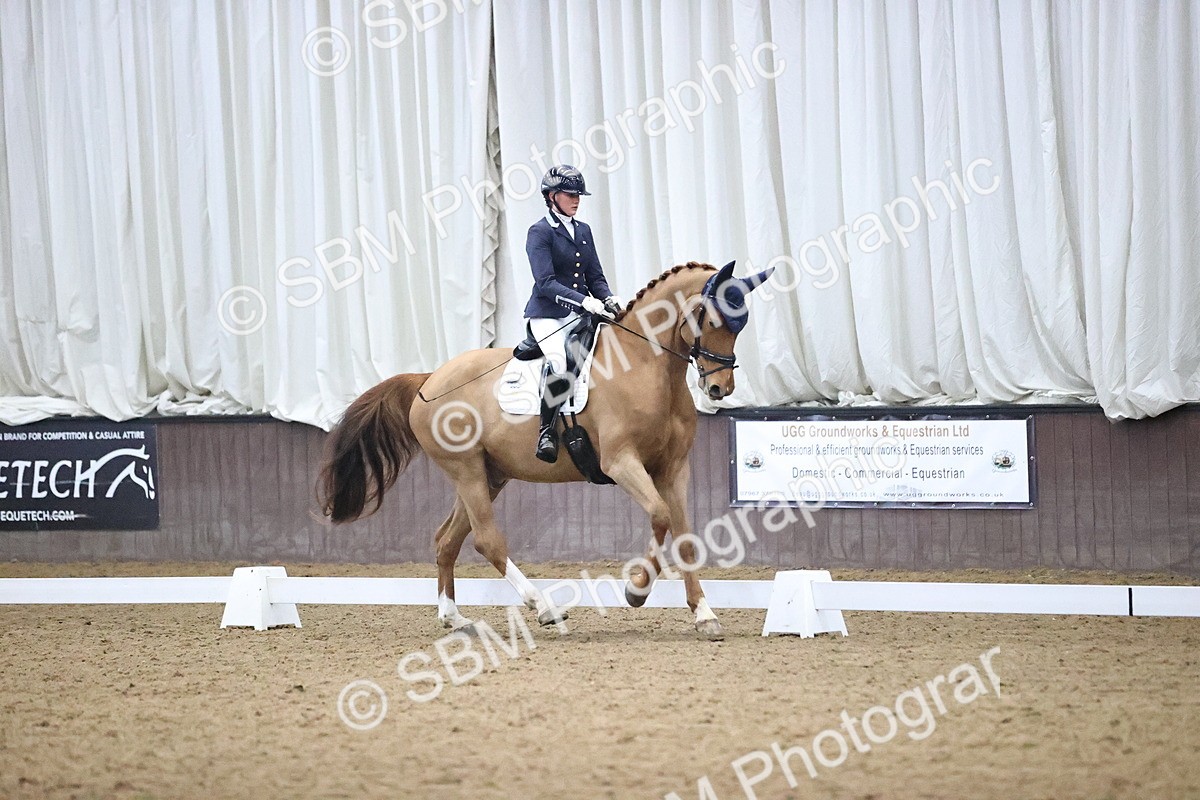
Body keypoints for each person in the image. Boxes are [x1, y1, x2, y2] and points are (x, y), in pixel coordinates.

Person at [524, 165, 622, 463]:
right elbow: (545, 283)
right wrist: (584, 302)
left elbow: (595, 275)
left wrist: (607, 297)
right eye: (570, 195)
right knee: (558, 362)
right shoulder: (540, 232)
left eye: (578, 195)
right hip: (547, 314)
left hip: (578, 313)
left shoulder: (583, 230)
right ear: (552, 197)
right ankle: (546, 431)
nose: (576, 200)